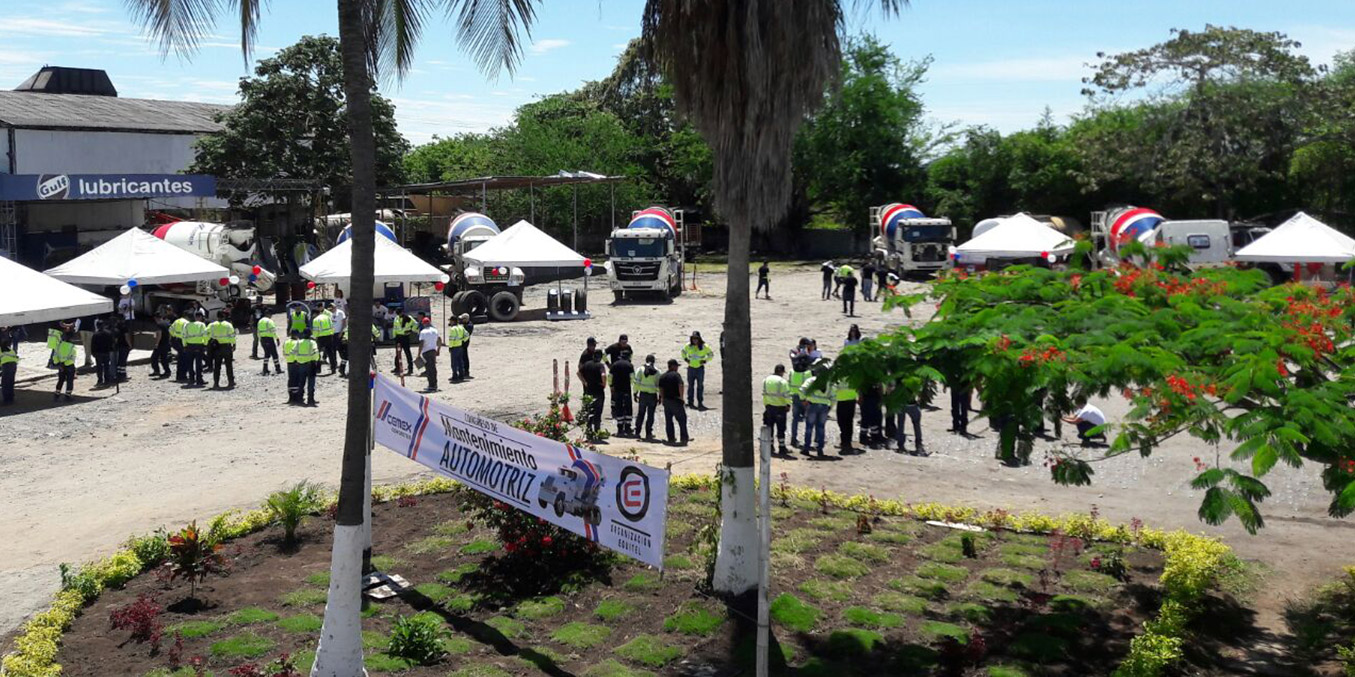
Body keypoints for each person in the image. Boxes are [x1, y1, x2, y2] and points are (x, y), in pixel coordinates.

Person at [799, 362, 833, 457]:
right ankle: (819, 449)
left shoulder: (811, 380)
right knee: (821, 428)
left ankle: (806, 448)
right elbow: (833, 396)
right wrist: (830, 406)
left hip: (812, 406)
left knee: (809, 427)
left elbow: (802, 390)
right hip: (824, 407)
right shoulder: (828, 383)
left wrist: (803, 400)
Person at [761, 364, 792, 454]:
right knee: (781, 428)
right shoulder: (782, 382)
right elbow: (787, 395)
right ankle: (782, 447)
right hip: (780, 408)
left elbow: (764, 394)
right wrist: (788, 405)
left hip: (769, 407)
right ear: (782, 372)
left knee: (769, 427)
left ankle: (770, 446)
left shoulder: (766, 380)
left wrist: (766, 405)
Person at [658, 358, 689, 445]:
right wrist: (682, 397)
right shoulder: (676, 375)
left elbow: (661, 389)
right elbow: (681, 385)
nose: (677, 368)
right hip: (676, 400)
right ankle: (684, 438)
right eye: (676, 366)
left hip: (667, 401)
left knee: (669, 421)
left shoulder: (663, 376)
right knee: (682, 420)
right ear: (673, 366)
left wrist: (663, 399)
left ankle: (671, 438)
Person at [680, 331, 713, 409]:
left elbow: (711, 354)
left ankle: (700, 402)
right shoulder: (688, 346)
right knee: (690, 386)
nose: (695, 340)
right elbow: (683, 352)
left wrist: (705, 360)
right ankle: (690, 402)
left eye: (696, 339)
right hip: (691, 368)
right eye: (693, 338)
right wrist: (685, 359)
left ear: (699, 339)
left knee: (700, 386)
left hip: (699, 368)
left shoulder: (705, 346)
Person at [578, 352, 607, 438]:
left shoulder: (587, 364)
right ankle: (597, 431)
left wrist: (584, 382)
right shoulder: (600, 365)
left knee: (589, 411)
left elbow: (578, 373)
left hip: (589, 391)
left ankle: (589, 431)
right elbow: (603, 375)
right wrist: (604, 384)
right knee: (598, 412)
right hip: (598, 391)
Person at [632, 354, 660, 440]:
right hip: (652, 396)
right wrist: (660, 397)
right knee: (650, 415)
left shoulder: (640, 369)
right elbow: (659, 385)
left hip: (643, 394)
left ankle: (637, 432)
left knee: (641, 414)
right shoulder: (657, 371)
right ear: (654, 361)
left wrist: (635, 393)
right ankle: (648, 433)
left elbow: (636, 382)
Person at [206, 310, 237, 389]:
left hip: (216, 348)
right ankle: (231, 382)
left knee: (217, 366)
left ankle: (216, 383)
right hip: (226, 347)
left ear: (217, 316)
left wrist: (208, 343)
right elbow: (232, 336)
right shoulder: (228, 325)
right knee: (229, 365)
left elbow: (206, 334)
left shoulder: (212, 325)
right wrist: (234, 344)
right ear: (224, 316)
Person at [609, 353, 635, 436]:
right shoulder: (630, 365)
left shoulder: (614, 365)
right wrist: (630, 385)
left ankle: (620, 429)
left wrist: (611, 386)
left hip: (617, 389)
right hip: (626, 389)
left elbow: (610, 377)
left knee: (619, 407)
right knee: (628, 408)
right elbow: (632, 378)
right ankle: (627, 428)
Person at [788, 355, 811, 448]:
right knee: (808, 420)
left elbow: (789, 383)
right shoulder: (807, 373)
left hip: (794, 396)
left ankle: (793, 438)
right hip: (804, 398)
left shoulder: (791, 371)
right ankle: (807, 440)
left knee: (795, 419)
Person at [183, 312, 209, 386]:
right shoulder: (201, 325)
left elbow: (184, 336)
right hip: (199, 346)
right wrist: (205, 344)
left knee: (190, 363)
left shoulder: (186, 325)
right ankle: (199, 380)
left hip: (189, 346)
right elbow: (205, 335)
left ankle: (191, 379)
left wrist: (184, 345)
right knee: (198, 364)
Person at [834, 377, 858, 454]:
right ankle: (846, 441)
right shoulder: (851, 374)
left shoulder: (841, 375)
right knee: (846, 422)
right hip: (846, 400)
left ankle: (846, 442)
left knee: (845, 422)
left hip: (846, 400)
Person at [418, 317, 441, 392]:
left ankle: (431, 386)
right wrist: (438, 350)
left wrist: (418, 354)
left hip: (426, 352)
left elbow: (421, 343)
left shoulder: (423, 332)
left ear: (424, 324)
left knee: (429, 369)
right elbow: (439, 340)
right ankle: (435, 384)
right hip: (433, 351)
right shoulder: (435, 330)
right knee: (433, 368)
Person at [312, 304, 336, 375]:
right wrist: (331, 333)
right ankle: (333, 368)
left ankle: (318, 369)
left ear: (315, 314)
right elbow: (332, 326)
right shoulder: (327, 317)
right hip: (329, 336)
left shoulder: (316, 320)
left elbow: (315, 331)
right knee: (330, 353)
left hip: (320, 338)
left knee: (317, 353)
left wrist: (314, 337)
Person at [53, 330, 77, 401]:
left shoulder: (58, 345)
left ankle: (57, 394)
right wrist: (66, 363)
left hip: (61, 366)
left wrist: (59, 363)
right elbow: (73, 357)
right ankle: (68, 395)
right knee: (70, 381)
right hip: (69, 366)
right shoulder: (72, 347)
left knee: (60, 380)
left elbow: (55, 356)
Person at [391, 309, 417, 375]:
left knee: (407, 353)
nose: (399, 315)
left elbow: (415, 324)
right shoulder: (396, 318)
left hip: (405, 337)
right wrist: (394, 336)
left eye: (400, 313)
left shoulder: (408, 318)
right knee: (397, 353)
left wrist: (411, 330)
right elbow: (395, 327)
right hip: (398, 337)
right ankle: (397, 367)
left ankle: (410, 368)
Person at [297, 329, 319, 405]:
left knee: (301, 382)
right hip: (311, 364)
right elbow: (315, 352)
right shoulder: (312, 343)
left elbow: (293, 352)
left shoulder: (298, 342)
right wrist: (316, 360)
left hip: (301, 364)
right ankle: (310, 399)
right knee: (311, 382)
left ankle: (300, 398)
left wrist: (298, 360)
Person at [92, 319, 115, 387]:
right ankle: (107, 380)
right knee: (106, 366)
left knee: (99, 367)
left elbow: (93, 344)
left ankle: (100, 380)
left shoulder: (95, 334)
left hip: (98, 353)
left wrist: (93, 352)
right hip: (106, 352)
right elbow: (112, 342)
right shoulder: (109, 333)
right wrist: (111, 349)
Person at [446, 315, 470, 382]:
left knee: (454, 363)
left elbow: (451, 340)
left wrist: (450, 347)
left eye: (450, 321)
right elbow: (467, 335)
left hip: (454, 347)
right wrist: (462, 340)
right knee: (460, 362)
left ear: (453, 321)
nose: (450, 322)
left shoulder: (452, 329)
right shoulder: (461, 327)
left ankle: (455, 376)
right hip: (460, 347)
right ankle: (461, 376)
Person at [257, 311, 282, 375]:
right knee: (274, 354)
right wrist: (277, 338)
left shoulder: (260, 321)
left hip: (263, 339)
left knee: (267, 354)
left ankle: (265, 369)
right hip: (269, 339)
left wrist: (260, 339)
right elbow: (273, 331)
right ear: (269, 314)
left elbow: (258, 331)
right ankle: (278, 369)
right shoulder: (269, 321)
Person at [151, 307, 172, 378]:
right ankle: (167, 371)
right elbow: (170, 333)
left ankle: (156, 371)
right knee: (164, 359)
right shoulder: (167, 323)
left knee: (154, 358)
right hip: (166, 343)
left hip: (160, 344)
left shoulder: (159, 325)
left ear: (155, 318)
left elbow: (159, 334)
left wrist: (156, 343)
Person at [170, 310, 189, 382]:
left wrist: (174, 335)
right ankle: (183, 376)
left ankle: (178, 375)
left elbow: (170, 330)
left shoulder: (176, 321)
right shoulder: (186, 323)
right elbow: (185, 334)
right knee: (184, 359)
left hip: (176, 340)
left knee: (180, 358)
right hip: (182, 341)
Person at [283, 329, 302, 404]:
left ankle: (290, 397)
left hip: (289, 362)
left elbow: (284, 352)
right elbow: (297, 353)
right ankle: (296, 397)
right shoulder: (297, 343)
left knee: (290, 379)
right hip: (296, 362)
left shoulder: (286, 342)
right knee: (297, 379)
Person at [113, 315, 132, 382]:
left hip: (118, 346)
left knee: (119, 361)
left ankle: (119, 375)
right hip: (124, 345)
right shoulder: (124, 327)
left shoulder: (116, 327)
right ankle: (123, 376)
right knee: (123, 361)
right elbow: (126, 337)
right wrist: (130, 345)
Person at [0, 333, 16, 405]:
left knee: (5, 383)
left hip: (6, 366)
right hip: (13, 365)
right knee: (10, 381)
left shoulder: (0, 350)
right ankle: (11, 397)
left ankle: (6, 400)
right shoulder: (10, 349)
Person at [459, 313, 474, 378]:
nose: (461, 320)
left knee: (464, 358)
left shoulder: (469, 325)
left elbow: (465, 333)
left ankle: (466, 372)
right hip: (462, 343)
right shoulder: (465, 324)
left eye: (462, 319)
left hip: (464, 343)